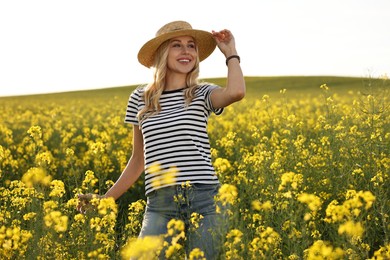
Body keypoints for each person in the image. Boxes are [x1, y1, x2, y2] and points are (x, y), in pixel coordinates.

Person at [78, 20, 245, 259]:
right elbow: (138, 159)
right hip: (160, 203)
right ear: (162, 53)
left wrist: (231, 53)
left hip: (205, 199)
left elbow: (236, 92)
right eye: (177, 45)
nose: (186, 51)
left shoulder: (202, 92)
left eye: (191, 46)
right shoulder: (140, 98)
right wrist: (106, 200)